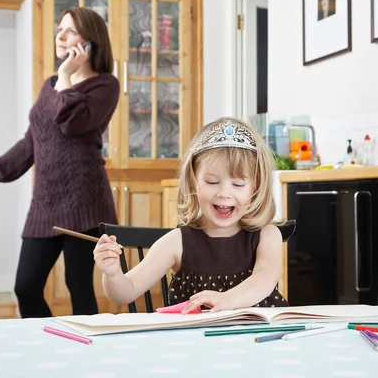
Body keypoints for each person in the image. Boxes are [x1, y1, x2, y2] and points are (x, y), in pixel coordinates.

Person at [0, 7, 119, 318]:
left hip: (84, 202)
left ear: (90, 42)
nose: (60, 35)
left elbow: (72, 123)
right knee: (26, 286)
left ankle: (90, 357)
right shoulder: (50, 83)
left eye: (71, 31)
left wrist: (67, 76)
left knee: (78, 285)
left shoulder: (105, 86)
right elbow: (32, 141)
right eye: (60, 28)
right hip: (45, 203)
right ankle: (48, 345)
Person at [94, 118, 289, 313]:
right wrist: (112, 274)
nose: (224, 193)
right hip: (195, 340)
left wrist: (227, 300)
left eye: (238, 185)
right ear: (193, 181)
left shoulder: (268, 235)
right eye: (212, 182)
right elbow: (124, 293)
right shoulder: (175, 243)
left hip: (258, 339)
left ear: (256, 188)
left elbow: (265, 278)